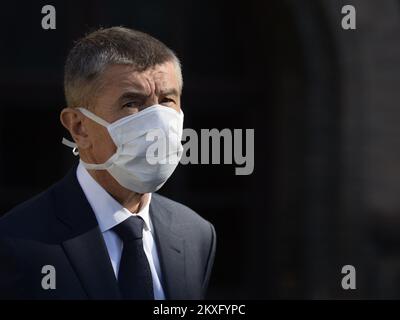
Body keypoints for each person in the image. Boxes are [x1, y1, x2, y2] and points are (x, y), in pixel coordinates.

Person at [0, 27, 216, 300]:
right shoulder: (16, 241)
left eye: (167, 100)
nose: (157, 121)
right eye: (131, 103)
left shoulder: (195, 234)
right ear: (79, 127)